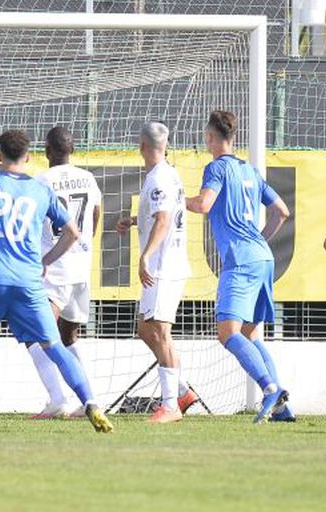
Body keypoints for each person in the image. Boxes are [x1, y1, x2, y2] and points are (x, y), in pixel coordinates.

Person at [0, 129, 113, 434]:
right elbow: (73, 232)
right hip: (29, 281)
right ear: (29, 156)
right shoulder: (39, 189)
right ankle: (91, 405)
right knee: (56, 346)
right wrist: (46, 261)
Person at [185, 110, 294, 423]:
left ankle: (270, 388)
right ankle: (282, 408)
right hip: (263, 258)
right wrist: (259, 240)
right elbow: (282, 212)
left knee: (228, 333)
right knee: (251, 334)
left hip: (242, 261)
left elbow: (204, 205)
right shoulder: (249, 170)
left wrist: (178, 198)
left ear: (210, 137)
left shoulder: (216, 168)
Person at [114, 122, 199, 424]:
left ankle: (170, 405)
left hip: (163, 266)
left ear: (141, 146)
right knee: (146, 329)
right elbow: (166, 215)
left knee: (160, 332)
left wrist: (145, 256)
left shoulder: (160, 177)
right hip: (167, 264)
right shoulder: (169, 173)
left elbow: (164, 220)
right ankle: (182, 390)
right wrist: (136, 220)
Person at [25, 126, 102, 419]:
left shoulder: (41, 181)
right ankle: (89, 400)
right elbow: (96, 212)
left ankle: (58, 399)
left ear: (47, 151)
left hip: (54, 268)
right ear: (72, 150)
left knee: (35, 333)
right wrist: (86, 244)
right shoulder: (88, 178)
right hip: (81, 266)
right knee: (69, 336)